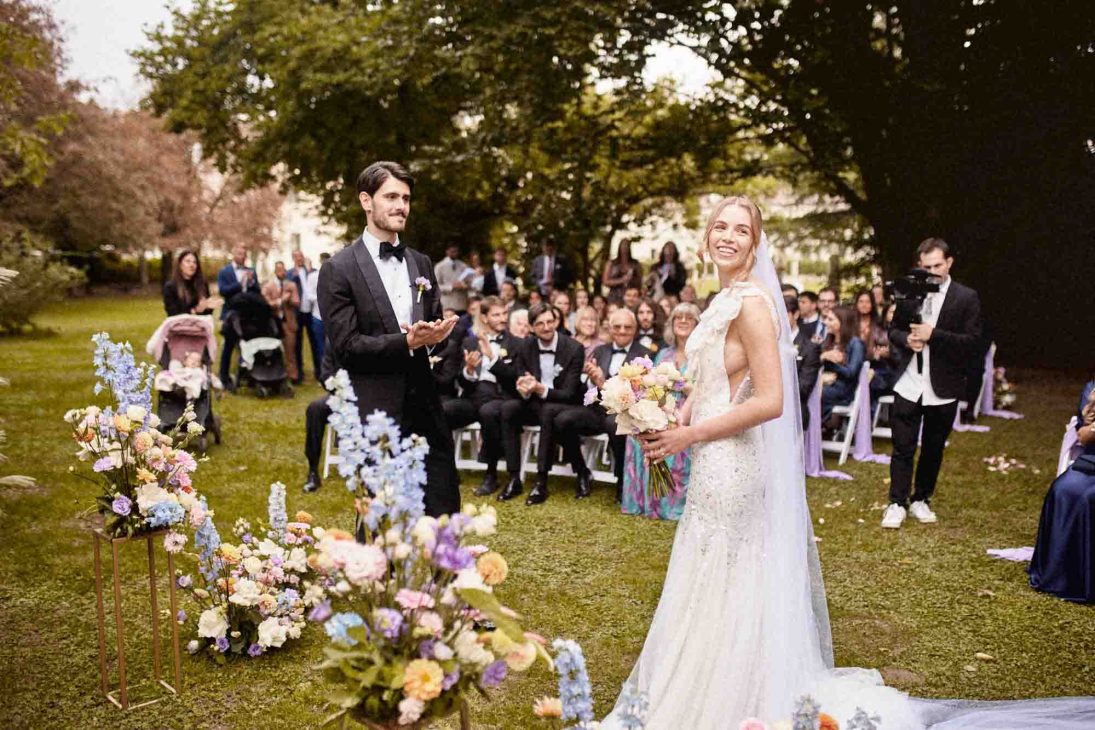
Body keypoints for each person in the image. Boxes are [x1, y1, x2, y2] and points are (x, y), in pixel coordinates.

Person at [317, 160, 460, 522]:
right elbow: (347, 347)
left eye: (406, 198)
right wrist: (406, 342)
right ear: (366, 201)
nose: (401, 206)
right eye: (391, 197)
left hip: (426, 407)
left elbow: (430, 326)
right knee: (382, 523)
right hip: (375, 411)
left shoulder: (421, 263)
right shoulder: (339, 269)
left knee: (442, 515)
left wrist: (436, 339)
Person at [881, 237, 982, 530]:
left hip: (944, 385)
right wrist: (907, 339)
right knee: (902, 446)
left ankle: (921, 499)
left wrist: (932, 335)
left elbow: (973, 343)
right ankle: (897, 502)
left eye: (938, 265)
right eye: (927, 267)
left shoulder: (966, 297)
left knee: (933, 447)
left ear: (949, 263)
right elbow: (893, 330)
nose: (933, 272)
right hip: (909, 382)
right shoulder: (910, 290)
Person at [482, 303, 584, 505]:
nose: (546, 327)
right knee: (508, 408)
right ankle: (514, 477)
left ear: (556, 321)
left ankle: (541, 481)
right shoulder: (525, 346)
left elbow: (570, 393)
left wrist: (540, 389)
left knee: (548, 411)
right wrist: (524, 387)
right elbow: (520, 376)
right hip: (534, 401)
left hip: (563, 404)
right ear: (531, 327)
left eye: (550, 322)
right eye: (540, 324)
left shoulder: (574, 348)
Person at [554, 308, 650, 499]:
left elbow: (639, 394)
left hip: (626, 413)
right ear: (610, 328)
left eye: (627, 327)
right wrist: (590, 379)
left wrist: (602, 382)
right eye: (617, 326)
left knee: (614, 424)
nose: (622, 331)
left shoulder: (644, 355)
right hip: (597, 411)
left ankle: (623, 480)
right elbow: (588, 389)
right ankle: (582, 472)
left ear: (635, 329)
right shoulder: (601, 350)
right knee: (562, 420)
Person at [621, 302, 699, 519]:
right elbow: (651, 385)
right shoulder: (663, 353)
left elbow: (703, 389)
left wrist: (679, 383)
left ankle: (671, 504)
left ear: (697, 325)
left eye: (689, 318)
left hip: (689, 413)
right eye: (678, 317)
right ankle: (647, 501)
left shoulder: (700, 355)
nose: (683, 321)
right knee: (636, 435)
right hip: (660, 408)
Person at [1029, 378, 1095, 602]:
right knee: (1063, 489)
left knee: (1089, 498)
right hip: (1092, 461)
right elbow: (1083, 434)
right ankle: (1059, 575)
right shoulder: (1092, 388)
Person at [459, 297, 523, 497]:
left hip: (504, 396)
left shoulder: (517, 343)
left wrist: (493, 358)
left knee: (489, 411)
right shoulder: (470, 342)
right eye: (496, 315)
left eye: (504, 313)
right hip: (475, 396)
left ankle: (491, 474)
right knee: (445, 409)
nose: (502, 318)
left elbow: (515, 378)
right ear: (485, 318)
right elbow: (461, 381)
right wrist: (469, 370)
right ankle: (442, 469)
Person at [216, 244, 260, 388]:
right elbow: (223, 291)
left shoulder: (251, 271)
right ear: (234, 254)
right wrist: (240, 284)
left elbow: (257, 292)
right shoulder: (225, 271)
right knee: (228, 346)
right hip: (231, 314)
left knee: (249, 345)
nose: (242, 256)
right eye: (239, 253)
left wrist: (251, 282)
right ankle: (223, 378)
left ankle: (248, 376)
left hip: (248, 314)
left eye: (244, 254)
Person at [819, 305, 865, 421]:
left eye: (830, 319)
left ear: (842, 322)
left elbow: (851, 373)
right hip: (825, 383)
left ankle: (814, 427)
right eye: (826, 319)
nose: (826, 322)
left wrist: (831, 363)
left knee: (815, 393)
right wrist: (823, 357)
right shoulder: (829, 341)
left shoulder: (855, 343)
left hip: (842, 390)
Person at [786, 295, 821, 430]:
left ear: (796, 314)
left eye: (784, 315)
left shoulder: (809, 348)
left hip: (794, 410)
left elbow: (804, 388)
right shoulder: (769, 344)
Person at [287, 249, 321, 384]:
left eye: (301, 256)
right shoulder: (290, 273)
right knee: (298, 344)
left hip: (311, 312)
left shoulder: (312, 271)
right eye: (296, 257)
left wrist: (309, 270)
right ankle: (299, 374)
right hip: (298, 313)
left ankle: (319, 372)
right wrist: (294, 277)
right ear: (293, 258)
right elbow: (287, 287)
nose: (299, 259)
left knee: (315, 343)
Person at [264, 261, 301, 381]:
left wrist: (290, 298)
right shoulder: (268, 286)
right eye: (279, 270)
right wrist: (281, 301)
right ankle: (276, 376)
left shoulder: (291, 285)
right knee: (274, 352)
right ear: (275, 271)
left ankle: (293, 376)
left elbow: (296, 302)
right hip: (273, 324)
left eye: (283, 270)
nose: (282, 272)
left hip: (288, 323)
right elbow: (266, 304)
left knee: (290, 351)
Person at [163, 249, 217, 316]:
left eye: (194, 262)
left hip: (200, 321)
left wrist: (208, 307)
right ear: (180, 265)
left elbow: (207, 313)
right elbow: (172, 313)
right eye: (188, 261)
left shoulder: (202, 284)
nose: (192, 265)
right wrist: (195, 310)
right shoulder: (170, 287)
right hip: (180, 322)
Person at [602, 238, 643, 303]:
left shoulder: (635, 264)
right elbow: (605, 281)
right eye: (623, 246)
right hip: (615, 296)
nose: (625, 248)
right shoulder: (612, 263)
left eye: (627, 246)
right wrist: (622, 280)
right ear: (619, 248)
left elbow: (640, 281)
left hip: (631, 296)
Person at [434, 243, 470, 315]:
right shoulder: (439, 266)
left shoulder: (463, 266)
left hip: (461, 304)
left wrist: (464, 286)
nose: (455, 253)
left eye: (456, 251)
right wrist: (451, 287)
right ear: (447, 252)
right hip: (447, 305)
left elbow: (469, 282)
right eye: (452, 251)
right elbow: (436, 286)